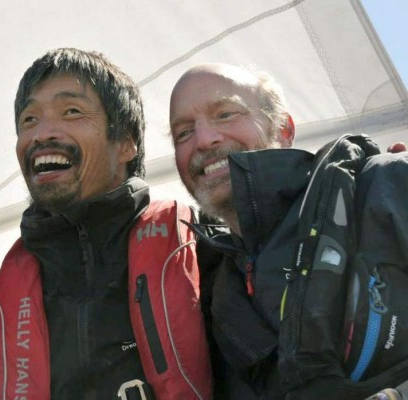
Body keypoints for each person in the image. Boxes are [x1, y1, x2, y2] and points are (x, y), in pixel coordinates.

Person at [0, 48, 213, 400]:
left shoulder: (205, 253)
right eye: (29, 120)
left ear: (126, 143)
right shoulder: (0, 309)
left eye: (71, 112)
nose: (41, 134)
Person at [169, 63, 408, 399]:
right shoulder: (205, 294)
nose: (204, 139)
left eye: (225, 113)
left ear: (283, 129)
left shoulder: (389, 183)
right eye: (183, 133)